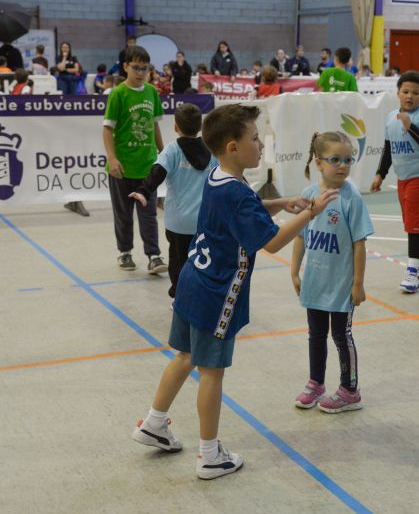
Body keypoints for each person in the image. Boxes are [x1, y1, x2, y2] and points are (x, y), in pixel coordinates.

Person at [130, 103, 339, 480]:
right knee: (211, 372)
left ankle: (154, 423)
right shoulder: (237, 191)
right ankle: (209, 455)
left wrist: (277, 203)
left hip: (192, 281)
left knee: (185, 356)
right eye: (255, 139)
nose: (260, 145)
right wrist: (309, 213)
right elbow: (272, 243)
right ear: (232, 147)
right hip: (216, 293)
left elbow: (244, 211)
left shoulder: (218, 177)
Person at [291, 131, 373, 412]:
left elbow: (359, 245)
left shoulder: (352, 199)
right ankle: (316, 383)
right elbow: (300, 236)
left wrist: (358, 284)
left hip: (341, 285)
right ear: (318, 163)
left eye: (348, 160)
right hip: (315, 282)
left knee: (341, 335)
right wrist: (294, 272)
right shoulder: (309, 196)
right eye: (335, 159)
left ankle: (350, 390)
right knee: (315, 334)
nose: (343, 165)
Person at [128, 103, 217, 300]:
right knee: (203, 259)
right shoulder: (211, 151)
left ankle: (179, 296)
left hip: (178, 222)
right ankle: (202, 295)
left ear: (176, 127)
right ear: (201, 126)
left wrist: (144, 190)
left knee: (178, 261)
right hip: (205, 221)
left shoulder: (172, 150)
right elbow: (228, 173)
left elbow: (157, 172)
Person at [370, 71, 419, 293]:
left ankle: (413, 272)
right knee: (412, 223)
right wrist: (380, 173)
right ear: (398, 93)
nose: (410, 96)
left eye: (415, 93)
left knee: (415, 226)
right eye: (406, 92)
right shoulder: (391, 118)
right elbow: (388, 149)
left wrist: (411, 127)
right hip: (404, 179)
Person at [102, 45, 168, 274]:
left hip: (146, 167)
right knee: (123, 214)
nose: (141, 72)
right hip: (122, 168)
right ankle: (125, 251)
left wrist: (164, 153)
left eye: (145, 68)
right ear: (126, 67)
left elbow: (154, 124)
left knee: (148, 214)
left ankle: (154, 255)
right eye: (136, 67)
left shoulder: (151, 92)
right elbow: (107, 129)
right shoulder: (118, 94)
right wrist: (112, 159)